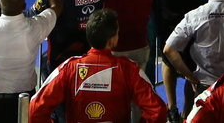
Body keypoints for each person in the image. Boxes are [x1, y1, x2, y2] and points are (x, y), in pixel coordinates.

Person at [30, 8, 168, 123]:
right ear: (113, 39)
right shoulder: (128, 70)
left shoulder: (68, 68)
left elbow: (36, 107)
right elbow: (158, 110)